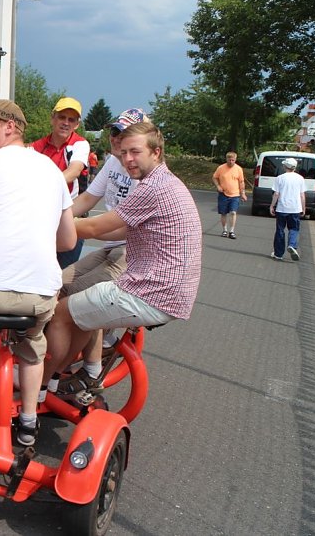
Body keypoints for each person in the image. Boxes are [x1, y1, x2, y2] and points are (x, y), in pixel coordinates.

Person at [45, 122, 202, 396]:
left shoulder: (152, 188)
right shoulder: (166, 182)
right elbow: (117, 230)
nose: (128, 159)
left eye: (136, 152)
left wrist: (43, 223)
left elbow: (94, 228)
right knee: (80, 310)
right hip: (166, 289)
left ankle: (36, 385)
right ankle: (58, 376)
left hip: (153, 292)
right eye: (125, 152)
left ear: (156, 152)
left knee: (60, 311)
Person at [0, 99, 77, 447]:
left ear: (9, 126)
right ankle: (27, 420)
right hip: (38, 293)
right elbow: (68, 240)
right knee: (32, 343)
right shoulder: (54, 172)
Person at [41, 109, 147, 397]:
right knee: (54, 284)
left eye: (124, 134)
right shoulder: (114, 162)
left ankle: (66, 375)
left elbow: (123, 227)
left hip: (132, 253)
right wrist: (50, 217)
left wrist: (77, 228)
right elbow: (87, 198)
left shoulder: (143, 173)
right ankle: (83, 363)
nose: (116, 138)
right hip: (111, 246)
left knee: (70, 299)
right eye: (114, 132)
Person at [30, 97, 90, 268]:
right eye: (62, 117)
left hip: (69, 216)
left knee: (62, 275)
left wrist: (42, 186)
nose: (66, 123)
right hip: (42, 216)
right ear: (52, 118)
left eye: (71, 120)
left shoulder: (79, 144)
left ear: (77, 124)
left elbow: (74, 172)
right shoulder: (38, 146)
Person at [269, 157, 305, 261]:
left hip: (282, 208)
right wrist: (303, 208)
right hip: (295, 208)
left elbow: (276, 194)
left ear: (285, 166)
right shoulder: (300, 178)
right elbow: (302, 195)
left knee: (280, 230)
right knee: (294, 228)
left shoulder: (280, 178)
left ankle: (278, 253)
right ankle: (292, 245)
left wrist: (272, 205)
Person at [212, 151, 247, 239]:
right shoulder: (221, 168)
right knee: (223, 213)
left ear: (235, 160)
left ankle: (231, 231)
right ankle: (224, 230)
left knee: (233, 212)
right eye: (229, 160)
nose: (231, 162)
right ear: (226, 159)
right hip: (223, 194)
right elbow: (214, 177)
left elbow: (241, 182)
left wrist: (243, 193)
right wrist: (218, 186)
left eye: (233, 160)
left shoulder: (239, 169)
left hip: (235, 195)